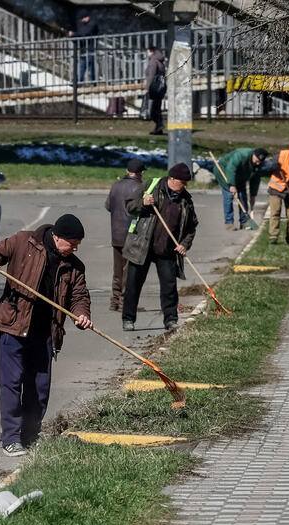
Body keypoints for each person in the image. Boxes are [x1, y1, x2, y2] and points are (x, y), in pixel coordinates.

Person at [0, 214, 92, 457]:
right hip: (14, 326)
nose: (75, 248)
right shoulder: (23, 242)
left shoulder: (74, 267)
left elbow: (79, 296)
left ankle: (30, 436)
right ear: (57, 237)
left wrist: (81, 315)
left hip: (45, 332)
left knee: (39, 387)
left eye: (78, 244)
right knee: (11, 383)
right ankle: (11, 438)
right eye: (72, 243)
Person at [122, 162, 198, 332]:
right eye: (183, 182)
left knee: (169, 286)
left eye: (186, 183)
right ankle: (128, 318)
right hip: (142, 246)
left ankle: (171, 319)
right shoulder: (151, 186)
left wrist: (184, 244)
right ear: (172, 178)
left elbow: (192, 226)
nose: (185, 186)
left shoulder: (186, 200)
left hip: (166, 249)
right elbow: (129, 206)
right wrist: (143, 203)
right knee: (133, 284)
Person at [104, 158, 145, 311]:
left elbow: (108, 206)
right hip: (132, 234)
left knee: (118, 270)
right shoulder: (140, 187)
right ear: (140, 173)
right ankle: (125, 303)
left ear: (127, 171)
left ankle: (114, 301)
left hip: (116, 234)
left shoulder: (116, 185)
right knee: (129, 271)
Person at [213, 147, 267, 230]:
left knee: (242, 197)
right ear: (253, 154)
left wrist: (253, 195)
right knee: (229, 196)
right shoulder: (241, 155)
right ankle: (229, 223)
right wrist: (232, 185)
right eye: (256, 160)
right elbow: (231, 168)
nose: (257, 163)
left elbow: (255, 180)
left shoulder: (259, 165)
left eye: (260, 162)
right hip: (224, 173)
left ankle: (244, 222)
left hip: (240, 176)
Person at [69, 11, 99, 83]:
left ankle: (91, 83)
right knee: (84, 67)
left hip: (90, 49)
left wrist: (74, 34)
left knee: (90, 68)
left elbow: (84, 33)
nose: (81, 20)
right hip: (84, 50)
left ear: (86, 17)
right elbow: (81, 34)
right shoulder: (85, 25)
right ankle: (79, 82)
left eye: (82, 18)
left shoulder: (92, 24)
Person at [143, 47, 166, 135]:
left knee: (153, 109)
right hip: (161, 87)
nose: (147, 53)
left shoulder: (153, 61)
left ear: (152, 52)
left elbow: (151, 76)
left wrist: (147, 88)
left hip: (154, 87)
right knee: (157, 108)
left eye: (148, 52)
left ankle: (159, 125)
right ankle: (158, 129)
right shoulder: (160, 61)